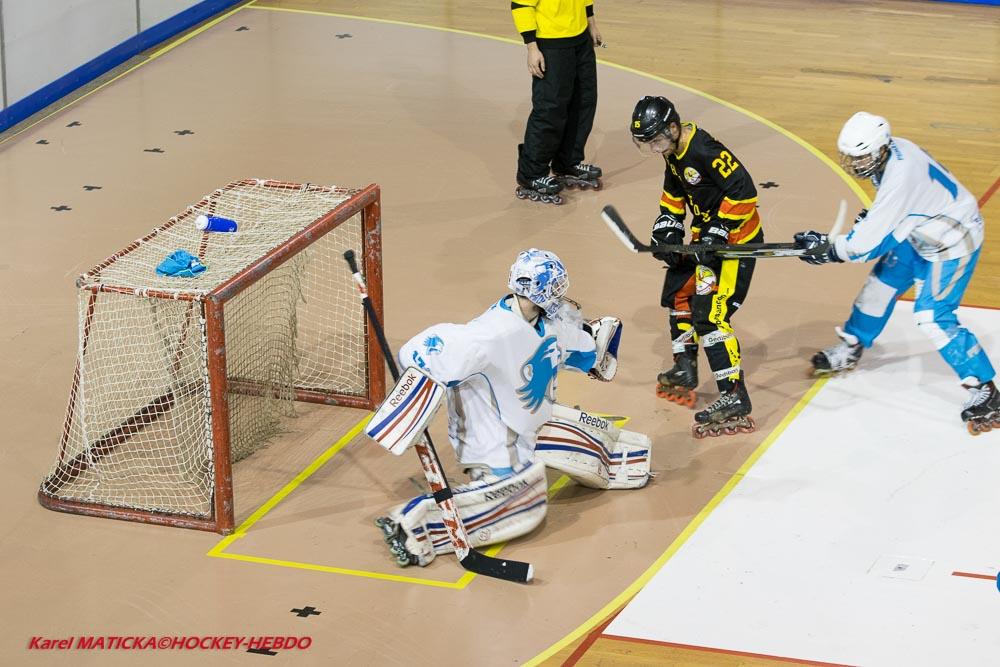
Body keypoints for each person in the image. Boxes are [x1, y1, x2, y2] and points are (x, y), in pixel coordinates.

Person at [370, 249, 651, 567]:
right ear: (544, 289)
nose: (561, 294)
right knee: (526, 504)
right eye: (556, 286)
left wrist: (595, 343)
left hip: (532, 426)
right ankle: (410, 527)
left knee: (604, 444)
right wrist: (413, 395)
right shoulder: (488, 336)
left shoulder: (548, 324)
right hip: (495, 443)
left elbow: (584, 348)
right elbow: (418, 352)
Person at [794, 112, 998, 435]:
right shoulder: (895, 150)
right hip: (922, 232)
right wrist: (860, 231)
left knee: (932, 317)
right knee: (879, 287)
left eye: (862, 157)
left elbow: (863, 248)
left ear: (880, 148)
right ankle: (853, 345)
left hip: (953, 242)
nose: (856, 164)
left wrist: (828, 248)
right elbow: (888, 221)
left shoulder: (901, 179)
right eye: (852, 157)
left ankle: (985, 388)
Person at [628, 96, 763, 438]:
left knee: (711, 316)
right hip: (706, 241)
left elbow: (745, 193)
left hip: (736, 243)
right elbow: (673, 197)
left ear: (673, 128)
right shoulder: (672, 154)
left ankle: (735, 396)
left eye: (656, 140)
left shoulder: (705, 150)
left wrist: (720, 227)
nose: (654, 148)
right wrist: (668, 229)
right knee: (679, 290)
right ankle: (685, 367)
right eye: (647, 143)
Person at [511, 0, 603, 204]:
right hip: (550, 43)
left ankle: (567, 162)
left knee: (584, 101)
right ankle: (532, 174)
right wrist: (531, 47)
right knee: (550, 109)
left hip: (580, 38)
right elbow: (520, 5)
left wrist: (591, 23)